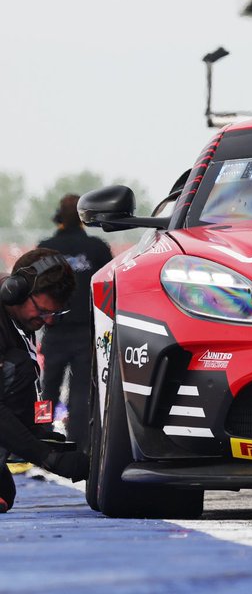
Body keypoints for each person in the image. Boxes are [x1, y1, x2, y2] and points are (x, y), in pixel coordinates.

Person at [1, 248, 90, 512]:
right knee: (16, 370)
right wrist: (49, 459)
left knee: (4, 493)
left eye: (54, 314)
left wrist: (51, 443)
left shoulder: (17, 324)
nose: (47, 321)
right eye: (41, 311)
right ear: (16, 291)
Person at [38, 194, 112, 444]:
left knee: (47, 390)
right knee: (81, 392)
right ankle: (80, 442)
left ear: (59, 216)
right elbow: (108, 288)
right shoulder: (97, 249)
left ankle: (41, 433)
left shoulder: (46, 248)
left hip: (54, 330)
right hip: (86, 332)